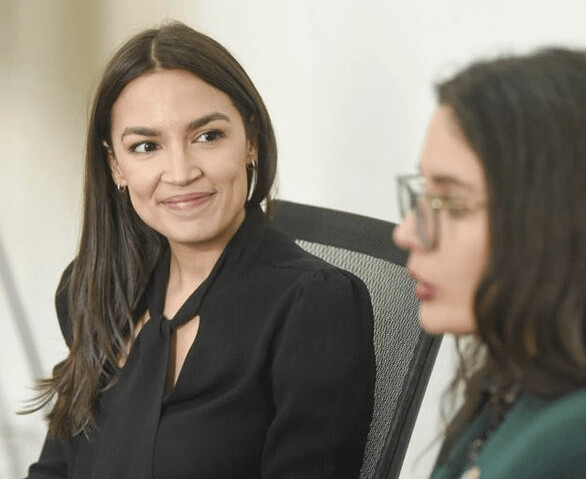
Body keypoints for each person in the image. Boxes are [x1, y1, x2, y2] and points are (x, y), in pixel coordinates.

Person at [25, 21, 375, 479]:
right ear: (116, 166)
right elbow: (55, 469)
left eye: (207, 136)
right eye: (146, 146)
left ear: (250, 141)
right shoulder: (94, 287)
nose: (180, 172)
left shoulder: (314, 306)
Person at [394, 48, 586, 478]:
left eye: (453, 203)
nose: (406, 233)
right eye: (424, 195)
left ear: (567, 225)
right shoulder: (515, 376)